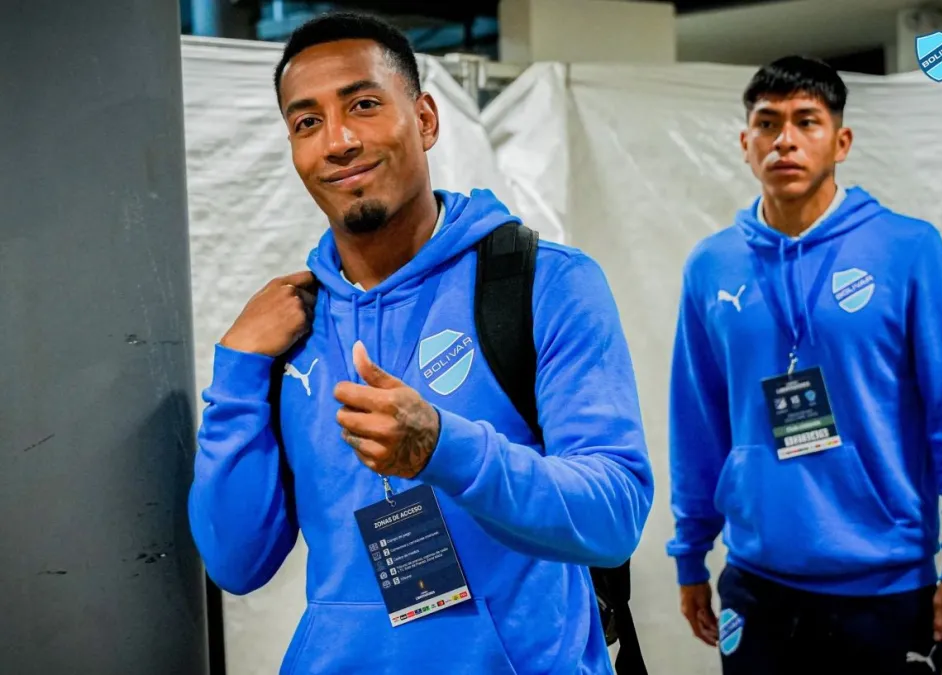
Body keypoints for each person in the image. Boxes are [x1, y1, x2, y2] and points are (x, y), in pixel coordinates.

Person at [187, 11, 654, 675]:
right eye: (307, 122)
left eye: (363, 105)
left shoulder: (541, 284)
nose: (338, 141)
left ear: (426, 119)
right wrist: (236, 370)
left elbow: (613, 517)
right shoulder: (288, 331)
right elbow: (235, 562)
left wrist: (444, 448)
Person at [665, 55, 942, 674]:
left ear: (841, 142)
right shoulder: (712, 265)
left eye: (806, 121)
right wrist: (690, 553)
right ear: (744, 143)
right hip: (757, 582)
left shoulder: (908, 250)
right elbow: (697, 423)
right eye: (768, 123)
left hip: (887, 586)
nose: (784, 140)